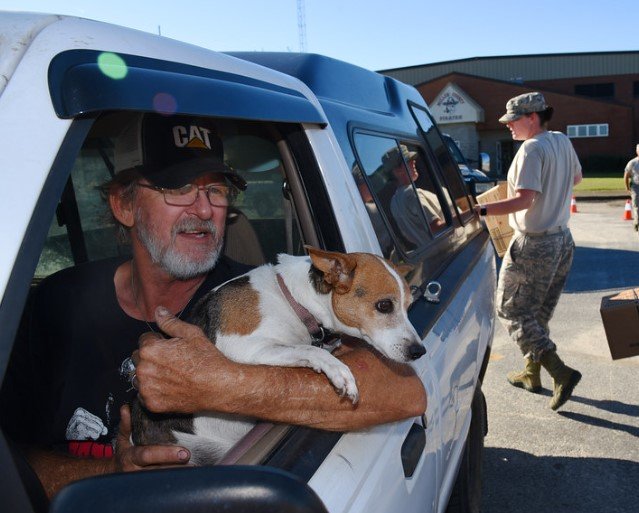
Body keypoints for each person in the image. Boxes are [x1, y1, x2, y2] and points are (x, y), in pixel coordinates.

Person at [0, 113, 427, 498]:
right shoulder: (53, 302)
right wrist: (113, 475)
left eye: (216, 190)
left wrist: (223, 383)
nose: (203, 208)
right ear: (124, 204)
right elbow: (12, 457)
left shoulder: (273, 298)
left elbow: (403, 393)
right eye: (178, 187)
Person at [474, 92, 583, 411]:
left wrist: (480, 211)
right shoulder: (561, 140)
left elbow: (524, 200)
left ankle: (560, 372)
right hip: (562, 239)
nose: (508, 126)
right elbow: (577, 177)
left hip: (534, 243)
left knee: (510, 309)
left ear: (532, 117)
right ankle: (531, 374)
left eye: (513, 120)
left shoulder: (531, 149)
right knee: (536, 313)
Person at [623, 143, 639, 232]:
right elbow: (626, 175)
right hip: (636, 186)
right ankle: (637, 222)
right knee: (636, 205)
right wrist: (627, 187)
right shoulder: (632, 163)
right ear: (637, 151)